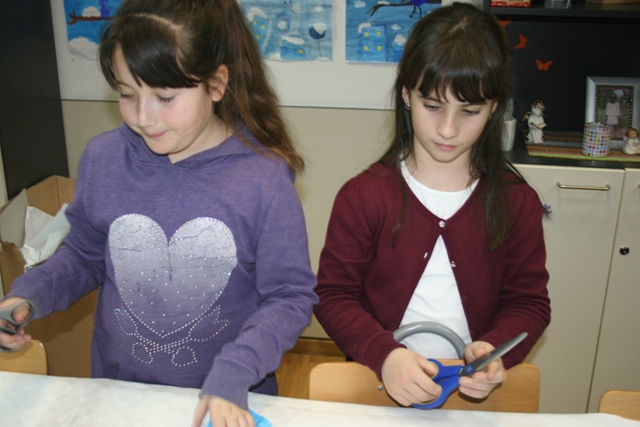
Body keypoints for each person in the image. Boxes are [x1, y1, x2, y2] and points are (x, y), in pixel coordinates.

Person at [0, 1, 318, 426]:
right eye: (127, 94)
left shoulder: (263, 179)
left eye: (165, 97)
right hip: (122, 395)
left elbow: (289, 297)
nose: (144, 117)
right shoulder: (104, 157)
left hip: (228, 399)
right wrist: (30, 294)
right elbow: (84, 255)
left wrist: (236, 369)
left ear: (216, 84)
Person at [314, 3, 550, 408]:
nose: (448, 129)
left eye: (469, 111)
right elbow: (333, 295)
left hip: (469, 397)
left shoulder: (516, 201)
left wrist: (494, 350)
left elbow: (529, 303)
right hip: (378, 384)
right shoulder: (364, 195)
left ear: (494, 107)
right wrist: (385, 355)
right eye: (433, 106)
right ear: (407, 94)